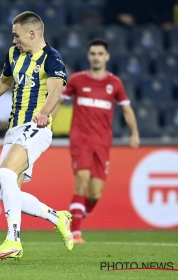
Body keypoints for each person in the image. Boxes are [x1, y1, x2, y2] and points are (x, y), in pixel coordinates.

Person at [0, 11, 74, 260]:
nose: (14, 40)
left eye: (17, 35)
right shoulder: (14, 54)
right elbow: (4, 83)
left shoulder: (52, 59)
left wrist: (44, 114)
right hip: (14, 128)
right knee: (6, 191)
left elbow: (56, 93)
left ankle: (13, 241)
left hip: (37, 126)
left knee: (5, 173)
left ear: (32, 33)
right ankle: (58, 217)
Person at [56, 38, 140, 243]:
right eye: (93, 53)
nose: (96, 57)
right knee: (81, 181)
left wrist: (134, 133)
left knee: (95, 194)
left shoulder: (115, 83)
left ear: (107, 56)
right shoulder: (77, 80)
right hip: (80, 139)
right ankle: (75, 232)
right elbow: (59, 101)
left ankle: (72, 218)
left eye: (100, 54)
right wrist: (46, 124)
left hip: (102, 142)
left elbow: (126, 109)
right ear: (88, 56)